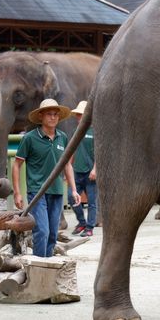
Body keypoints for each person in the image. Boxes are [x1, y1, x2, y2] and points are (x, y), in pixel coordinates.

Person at [12, 99, 81, 257]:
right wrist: (17, 192)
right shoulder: (29, 138)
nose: (53, 117)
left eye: (56, 115)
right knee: (42, 231)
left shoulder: (62, 137)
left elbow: (67, 165)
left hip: (57, 191)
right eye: (49, 114)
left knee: (52, 234)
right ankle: (38, 267)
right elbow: (16, 165)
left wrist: (74, 190)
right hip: (37, 192)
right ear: (41, 116)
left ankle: (48, 266)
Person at [69, 101, 97, 237]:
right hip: (77, 171)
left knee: (92, 202)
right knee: (71, 197)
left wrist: (95, 169)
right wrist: (68, 167)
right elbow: (72, 151)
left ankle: (90, 227)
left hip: (90, 172)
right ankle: (81, 222)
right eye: (78, 115)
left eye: (81, 115)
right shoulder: (76, 132)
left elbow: (100, 152)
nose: (79, 117)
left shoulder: (96, 131)